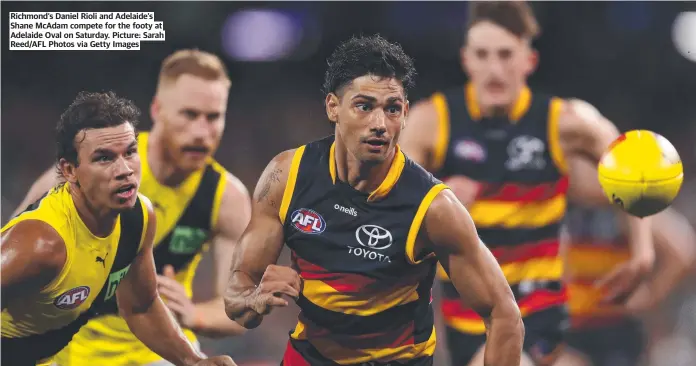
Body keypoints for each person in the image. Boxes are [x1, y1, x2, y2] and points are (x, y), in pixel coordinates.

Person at [223, 34, 525, 366]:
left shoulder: (433, 209)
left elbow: (504, 315)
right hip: (310, 357)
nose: (379, 124)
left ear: (406, 113)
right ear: (333, 107)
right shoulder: (286, 176)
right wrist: (254, 299)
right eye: (364, 106)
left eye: (392, 108)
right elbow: (238, 296)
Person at [399, 2, 656, 365]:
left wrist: (642, 252)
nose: (494, 69)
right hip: (470, 314)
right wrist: (434, 200)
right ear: (466, 60)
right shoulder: (432, 122)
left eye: (505, 55)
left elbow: (632, 168)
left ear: (528, 61)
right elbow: (383, 204)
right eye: (483, 55)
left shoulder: (563, 122)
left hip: (540, 309)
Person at [11, 50, 251, 366]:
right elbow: (16, 251)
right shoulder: (85, 170)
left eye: (213, 117)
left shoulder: (225, 198)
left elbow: (238, 311)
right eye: (189, 115)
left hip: (155, 349)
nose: (201, 133)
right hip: (64, 350)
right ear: (158, 110)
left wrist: (195, 316)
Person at [557, 158, 696, 366]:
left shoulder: (626, 210)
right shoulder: (559, 206)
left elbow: (682, 251)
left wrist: (650, 295)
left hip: (616, 331)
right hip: (568, 330)